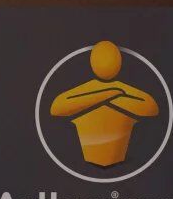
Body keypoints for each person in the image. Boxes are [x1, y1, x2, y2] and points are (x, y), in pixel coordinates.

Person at [49, 39, 159, 167]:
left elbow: (152, 108)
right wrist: (112, 92)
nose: (106, 64)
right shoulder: (109, 88)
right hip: (89, 154)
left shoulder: (123, 87)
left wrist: (112, 94)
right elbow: (56, 108)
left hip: (119, 155)